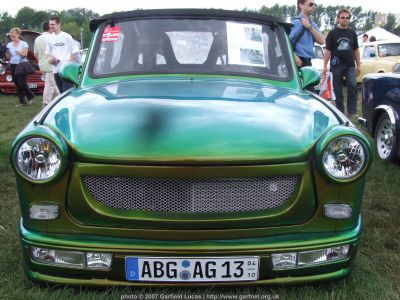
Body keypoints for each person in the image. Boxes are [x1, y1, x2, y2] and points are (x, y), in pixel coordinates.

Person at [323, 8, 360, 116]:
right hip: (336, 65)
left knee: (353, 86)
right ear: (338, 19)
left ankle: (352, 112)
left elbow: (356, 50)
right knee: (338, 89)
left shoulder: (352, 33)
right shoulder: (332, 33)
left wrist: (359, 65)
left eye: (347, 18)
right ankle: (340, 111)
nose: (344, 19)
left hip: (350, 65)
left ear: (349, 19)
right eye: (342, 17)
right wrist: (324, 66)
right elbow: (328, 50)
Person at [46, 16, 79, 93]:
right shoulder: (49, 38)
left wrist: (69, 64)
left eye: (53, 24)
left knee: (67, 92)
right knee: (61, 92)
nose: (51, 26)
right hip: (56, 70)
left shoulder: (66, 36)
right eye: (50, 24)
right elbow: (47, 53)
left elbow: (75, 51)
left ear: (59, 24)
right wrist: (51, 59)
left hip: (66, 70)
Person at [290, 0, 325, 68]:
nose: (314, 6)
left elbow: (322, 41)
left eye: (315, 4)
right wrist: (294, 56)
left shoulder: (313, 25)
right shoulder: (295, 23)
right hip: (297, 61)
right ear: (301, 5)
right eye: (311, 4)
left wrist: (309, 27)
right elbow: (286, 43)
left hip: (308, 62)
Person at [6, 27, 35, 107]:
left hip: (22, 65)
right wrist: (7, 52)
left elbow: (25, 55)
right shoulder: (9, 44)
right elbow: (8, 57)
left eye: (13, 34)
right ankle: (22, 102)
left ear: (18, 34)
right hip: (13, 65)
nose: (12, 35)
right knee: (17, 84)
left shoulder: (23, 43)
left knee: (22, 83)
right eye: (11, 34)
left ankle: (30, 95)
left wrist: (20, 53)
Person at [34, 21, 60, 108]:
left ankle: (59, 99)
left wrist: (41, 61)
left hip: (42, 65)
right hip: (51, 65)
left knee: (52, 84)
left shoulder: (38, 39)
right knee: (49, 85)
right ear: (50, 27)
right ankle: (46, 104)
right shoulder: (52, 38)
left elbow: (35, 54)